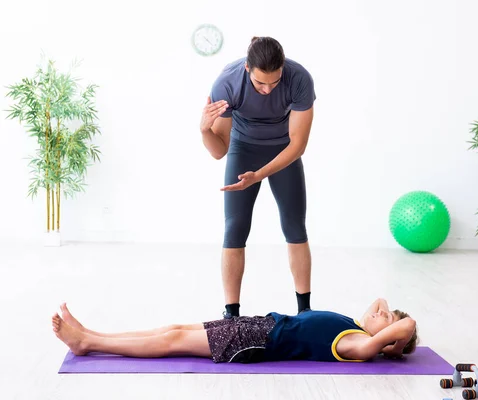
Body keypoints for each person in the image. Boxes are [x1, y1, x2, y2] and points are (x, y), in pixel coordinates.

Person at [200, 36, 316, 319]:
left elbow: (298, 145)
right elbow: (219, 151)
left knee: (294, 226)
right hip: (243, 148)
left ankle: (305, 312)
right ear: (247, 68)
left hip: (284, 150)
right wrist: (204, 131)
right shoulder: (227, 84)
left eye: (274, 83)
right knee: (235, 228)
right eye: (260, 83)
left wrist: (259, 176)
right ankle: (231, 314)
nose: (267, 90)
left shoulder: (299, 79)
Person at [52, 298, 418, 364]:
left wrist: (393, 343)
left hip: (255, 341)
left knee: (173, 341)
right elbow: (379, 300)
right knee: (173, 328)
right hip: (259, 324)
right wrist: (387, 317)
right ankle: (94, 334)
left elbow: (408, 325)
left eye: (384, 317)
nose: (379, 311)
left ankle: (87, 342)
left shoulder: (357, 344)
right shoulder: (354, 326)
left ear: (386, 340)